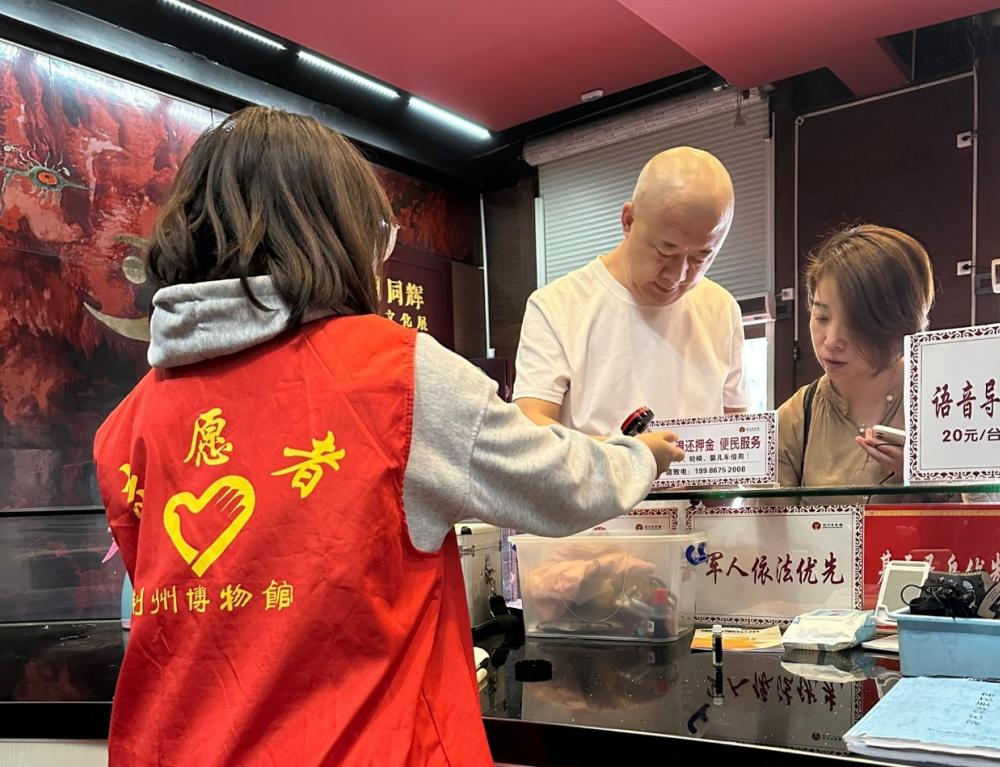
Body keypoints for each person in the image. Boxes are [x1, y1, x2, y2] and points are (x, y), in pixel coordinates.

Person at [92, 107, 683, 767]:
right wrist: (640, 454)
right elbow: (562, 486)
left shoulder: (126, 426)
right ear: (337, 233)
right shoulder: (396, 375)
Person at [514, 147, 749, 435]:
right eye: (666, 251)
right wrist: (630, 455)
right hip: (601, 468)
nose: (678, 275)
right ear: (628, 221)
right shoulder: (556, 306)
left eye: (701, 257)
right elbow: (531, 426)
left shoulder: (722, 307)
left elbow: (738, 426)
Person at [777, 225, 935, 489]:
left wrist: (927, 477)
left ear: (901, 326)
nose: (831, 340)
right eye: (821, 317)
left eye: (857, 324)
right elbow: (769, 513)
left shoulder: (942, 401)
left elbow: (994, 506)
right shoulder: (797, 416)